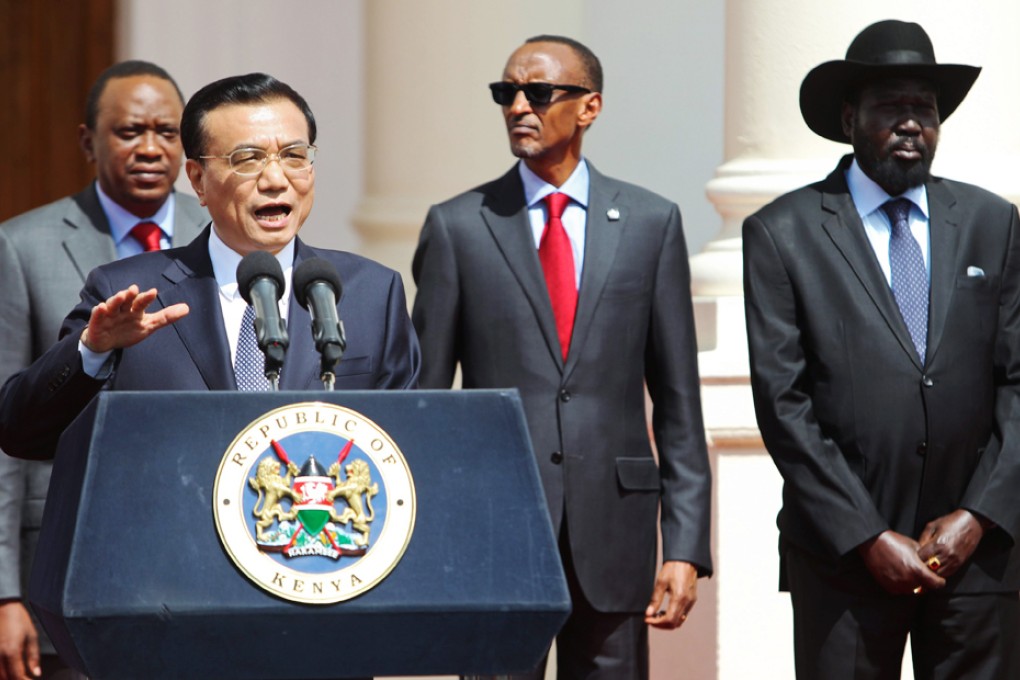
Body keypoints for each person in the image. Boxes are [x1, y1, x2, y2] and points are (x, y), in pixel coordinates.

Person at [412, 35, 711, 679]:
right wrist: (431, 541)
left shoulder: (651, 222)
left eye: (538, 93)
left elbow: (680, 402)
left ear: (589, 107)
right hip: (496, 529)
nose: (518, 106)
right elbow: (425, 405)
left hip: (618, 532)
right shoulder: (458, 226)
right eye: (506, 93)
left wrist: (684, 546)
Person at [744, 20, 1020, 679]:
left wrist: (978, 516)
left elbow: (1017, 382)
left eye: (922, 107)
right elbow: (785, 404)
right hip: (842, 559)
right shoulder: (782, 234)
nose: (909, 122)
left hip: (977, 555)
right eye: (889, 106)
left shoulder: (992, 223)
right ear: (849, 118)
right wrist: (865, 534)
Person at [0, 72, 420, 461]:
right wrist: (93, 351)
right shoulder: (129, 293)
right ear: (198, 180)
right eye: (248, 159)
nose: (276, 179)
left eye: (294, 155)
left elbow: (408, 445)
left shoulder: (371, 293)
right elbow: (21, 432)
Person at [0, 60, 207, 680]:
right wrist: (4, 592)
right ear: (89, 141)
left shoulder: (221, 237)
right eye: (128, 132)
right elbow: (4, 428)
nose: (150, 148)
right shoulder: (22, 246)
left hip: (198, 565)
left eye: (167, 132)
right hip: (64, 569)